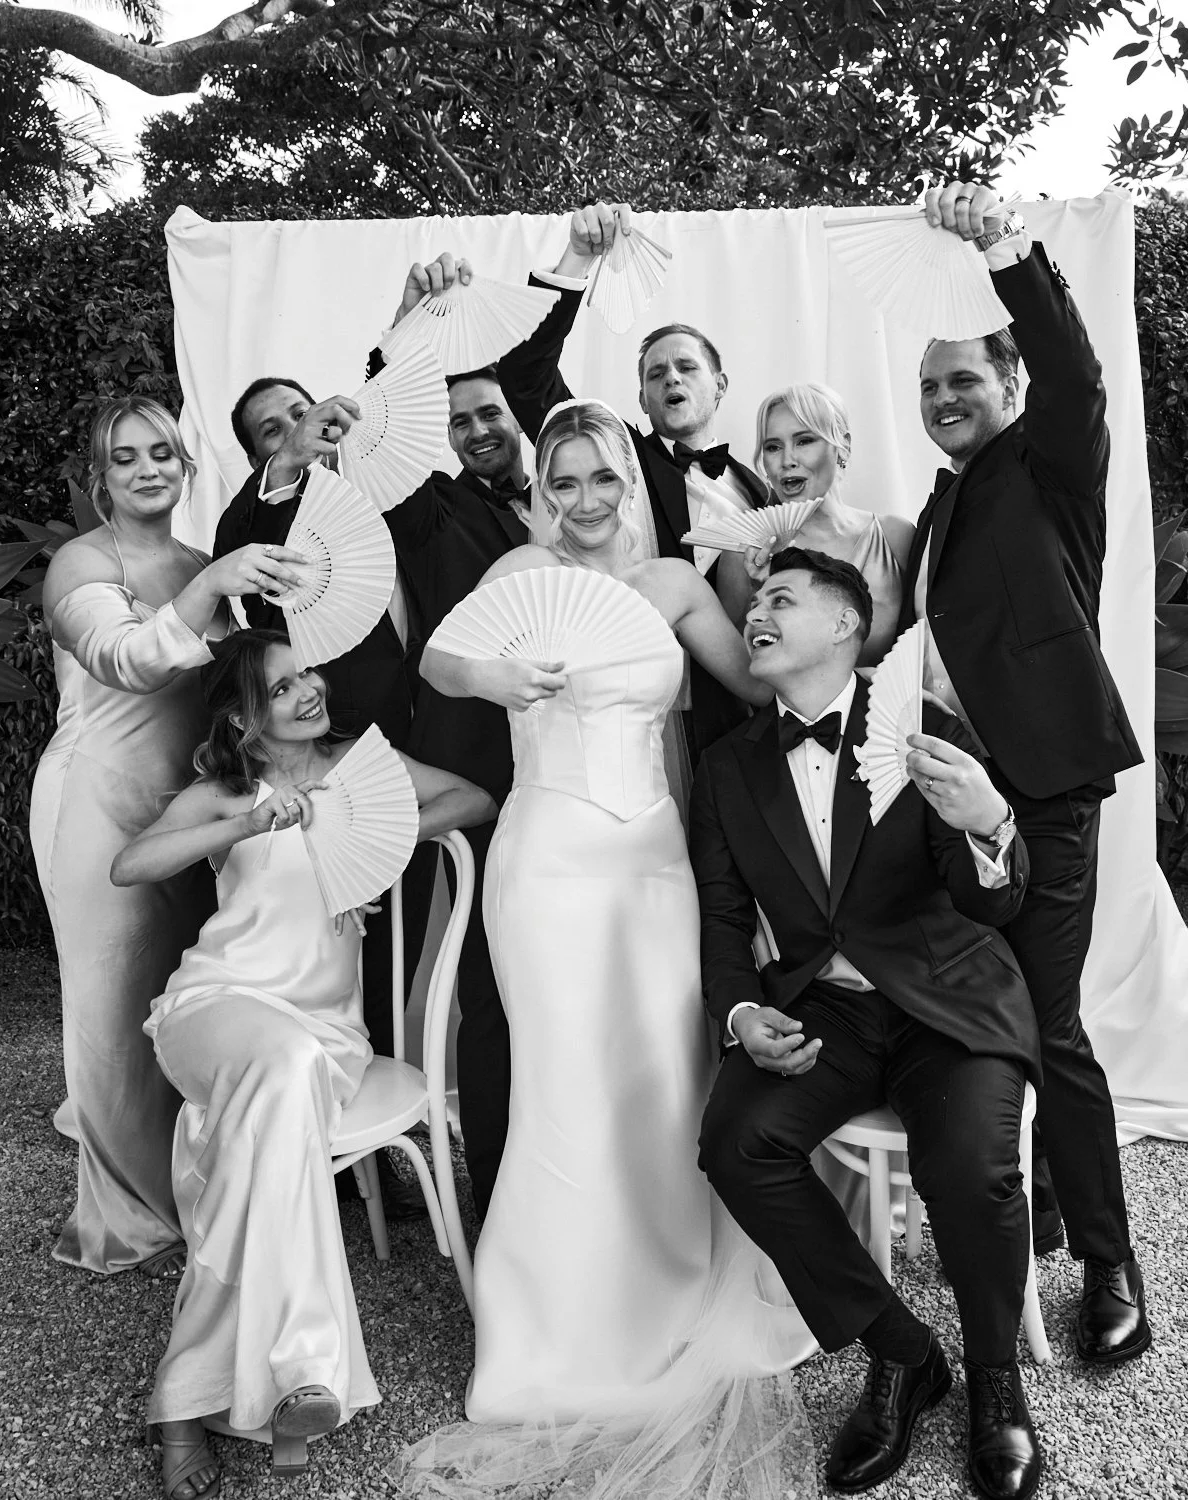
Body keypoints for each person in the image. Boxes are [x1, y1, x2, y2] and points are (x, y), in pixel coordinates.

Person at [394, 401, 816, 1500]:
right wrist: (492, 680)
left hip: (654, 864)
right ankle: (560, 1324)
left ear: (631, 479)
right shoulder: (519, 574)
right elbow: (438, 661)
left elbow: (757, 682)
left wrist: (838, 626)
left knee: (664, 1070)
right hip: (548, 865)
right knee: (568, 1079)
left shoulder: (672, 584)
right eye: (565, 481)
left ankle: (674, 1285)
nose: (586, 500)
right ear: (545, 490)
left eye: (603, 478)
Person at [111, 629, 496, 1500]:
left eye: (305, 672)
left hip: (324, 1033)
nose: (308, 690)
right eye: (281, 688)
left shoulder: (362, 767)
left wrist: (373, 840)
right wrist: (246, 824)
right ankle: (304, 1369)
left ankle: (185, 1398)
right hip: (215, 1008)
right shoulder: (225, 791)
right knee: (279, 1070)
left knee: (277, 1103)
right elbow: (129, 864)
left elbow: (472, 798)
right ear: (242, 719)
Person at [692, 547, 1043, 1500]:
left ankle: (995, 1382)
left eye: (780, 598)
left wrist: (990, 824)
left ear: (847, 624)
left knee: (966, 1168)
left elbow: (995, 902)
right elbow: (721, 917)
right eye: (753, 601)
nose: (755, 614)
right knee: (735, 1143)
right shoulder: (727, 767)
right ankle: (901, 1351)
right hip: (826, 1012)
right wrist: (742, 1012)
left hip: (947, 1003)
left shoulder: (924, 730)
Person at [897, 180, 1149, 1361]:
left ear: (1010, 386)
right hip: (949, 802)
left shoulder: (1052, 467)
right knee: (978, 1012)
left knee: (1050, 1024)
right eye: (929, 385)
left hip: (1043, 792)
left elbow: (1078, 376)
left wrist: (1005, 249)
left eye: (964, 378)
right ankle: (1030, 1196)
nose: (945, 398)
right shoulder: (940, 504)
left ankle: (1109, 1261)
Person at [30, 395, 304, 1277]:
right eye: (125, 458)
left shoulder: (198, 562)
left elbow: (235, 691)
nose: (147, 469)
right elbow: (126, 660)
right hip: (97, 802)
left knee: (176, 1001)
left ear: (185, 467)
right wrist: (213, 589)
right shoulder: (81, 563)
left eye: (161, 453)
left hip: (188, 810)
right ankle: (128, 1217)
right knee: (111, 1016)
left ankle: (193, 1186)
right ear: (100, 478)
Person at [215, 375, 432, 1215]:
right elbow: (246, 542)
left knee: (398, 957)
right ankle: (333, 1157)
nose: (296, 430)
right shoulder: (270, 529)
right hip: (334, 761)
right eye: (271, 431)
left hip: (422, 750)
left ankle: (377, 1129)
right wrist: (285, 471)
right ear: (260, 460)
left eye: (300, 415)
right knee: (339, 959)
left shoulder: (382, 491)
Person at [372, 253, 533, 1217]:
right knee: (487, 980)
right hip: (477, 773)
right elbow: (380, 433)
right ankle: (496, 1188)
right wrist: (402, 330)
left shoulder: (586, 496)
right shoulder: (430, 512)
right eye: (460, 419)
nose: (477, 430)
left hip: (586, 774)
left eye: (491, 412)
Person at [495, 202, 769, 757]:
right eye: (655, 373)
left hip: (745, 710)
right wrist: (576, 260)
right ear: (642, 399)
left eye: (686, 367)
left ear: (720, 385)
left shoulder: (758, 488)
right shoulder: (615, 459)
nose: (671, 378)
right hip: (645, 714)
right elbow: (526, 377)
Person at [749, 381, 914, 664]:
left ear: (843, 446)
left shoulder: (895, 536)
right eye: (773, 447)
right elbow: (741, 673)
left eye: (804, 441)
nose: (787, 460)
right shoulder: (750, 552)